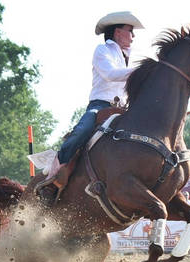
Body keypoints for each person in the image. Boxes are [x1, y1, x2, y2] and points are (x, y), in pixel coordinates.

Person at [40, 11, 144, 202]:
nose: (133, 36)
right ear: (118, 32)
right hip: (100, 106)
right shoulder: (102, 50)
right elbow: (111, 74)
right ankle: (52, 179)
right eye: (130, 31)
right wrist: (141, 70)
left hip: (123, 108)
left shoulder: (127, 56)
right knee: (81, 131)